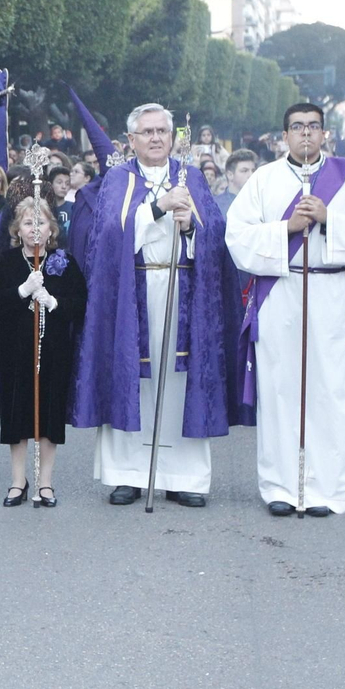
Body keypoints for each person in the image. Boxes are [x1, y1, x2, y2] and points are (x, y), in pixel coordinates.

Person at [227, 102, 345, 516]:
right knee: (280, 390)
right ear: (284, 136)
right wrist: (287, 229)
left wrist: (328, 218)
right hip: (280, 290)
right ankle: (281, 488)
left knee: (329, 391)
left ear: (324, 134)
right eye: (297, 127)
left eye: (313, 127)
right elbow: (237, 236)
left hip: (330, 290)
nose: (305, 134)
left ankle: (327, 490)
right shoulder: (264, 179)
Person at [75, 103, 235, 509]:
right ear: (131, 140)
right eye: (146, 132)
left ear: (172, 137)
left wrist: (192, 227)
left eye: (162, 131)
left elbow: (216, 235)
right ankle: (128, 474)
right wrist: (157, 209)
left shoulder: (192, 177)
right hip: (134, 290)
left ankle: (182, 476)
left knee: (179, 380)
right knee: (134, 376)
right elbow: (107, 238)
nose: (155, 138)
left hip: (183, 287)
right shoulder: (117, 179)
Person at [0, 197, 82, 507]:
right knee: (17, 415)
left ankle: (45, 482)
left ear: (51, 228)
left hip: (53, 350)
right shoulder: (5, 261)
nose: (34, 229)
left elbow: (80, 304)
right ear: (18, 229)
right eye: (28, 223)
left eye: (40, 222)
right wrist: (22, 291)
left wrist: (53, 302)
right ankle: (18, 481)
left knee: (49, 415)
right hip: (15, 350)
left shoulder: (63, 261)